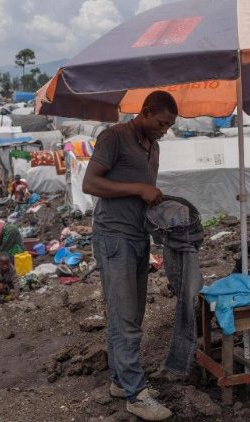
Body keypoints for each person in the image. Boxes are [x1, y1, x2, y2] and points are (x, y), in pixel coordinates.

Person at [82, 91, 177, 421]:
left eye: (169, 126)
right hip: (114, 237)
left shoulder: (154, 147)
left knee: (131, 315)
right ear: (147, 112)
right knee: (124, 316)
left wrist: (155, 203)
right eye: (162, 123)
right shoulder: (114, 137)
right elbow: (90, 183)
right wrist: (139, 189)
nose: (164, 130)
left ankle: (120, 380)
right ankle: (136, 395)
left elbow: (143, 191)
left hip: (139, 237)